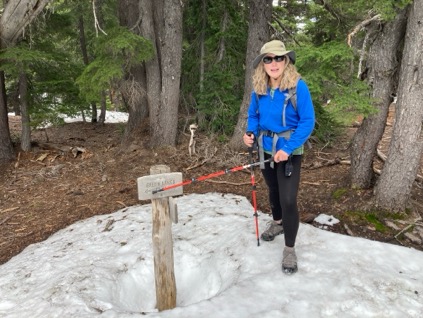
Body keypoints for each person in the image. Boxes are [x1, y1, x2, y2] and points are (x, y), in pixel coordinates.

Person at [243, 40, 315, 274]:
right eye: (268, 59)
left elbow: (307, 122)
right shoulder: (259, 88)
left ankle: (290, 250)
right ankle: (277, 223)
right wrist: (250, 133)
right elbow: (253, 115)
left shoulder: (297, 86)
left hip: (289, 152)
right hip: (265, 149)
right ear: (262, 64)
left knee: (288, 199)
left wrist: (288, 148)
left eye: (278, 58)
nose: (273, 63)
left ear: (286, 61)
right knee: (273, 190)